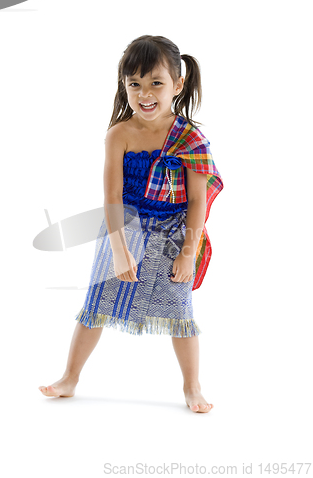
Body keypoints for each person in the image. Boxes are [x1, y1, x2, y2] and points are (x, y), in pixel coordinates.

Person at [39, 35, 224, 413]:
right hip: (124, 230)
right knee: (95, 306)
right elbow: (112, 199)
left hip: (176, 233)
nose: (144, 93)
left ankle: (193, 387)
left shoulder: (190, 139)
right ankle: (70, 378)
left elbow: (197, 201)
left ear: (178, 84)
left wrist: (188, 253)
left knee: (179, 313)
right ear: (123, 85)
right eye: (134, 83)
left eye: (156, 82)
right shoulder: (118, 135)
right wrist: (120, 250)